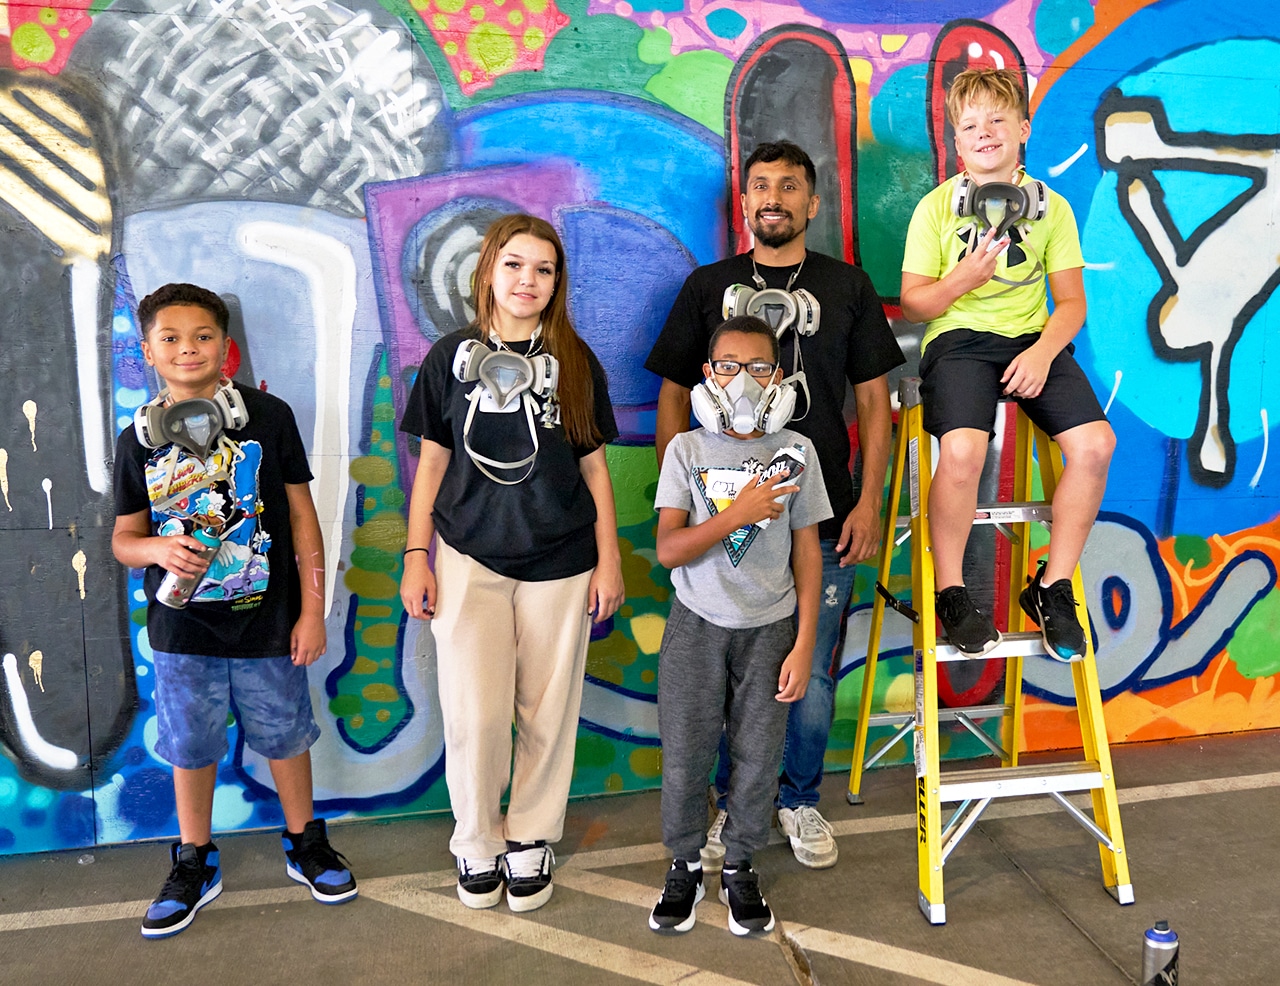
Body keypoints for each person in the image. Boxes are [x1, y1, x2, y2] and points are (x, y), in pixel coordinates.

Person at [645, 141, 904, 870]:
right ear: (744, 200)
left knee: (807, 676)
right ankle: (735, 810)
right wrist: (684, 494)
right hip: (717, 529)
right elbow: (673, 390)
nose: (774, 198)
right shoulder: (707, 286)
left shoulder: (847, 286)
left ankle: (798, 799)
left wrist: (867, 502)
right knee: (726, 685)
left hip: (817, 521)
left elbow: (874, 403)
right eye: (760, 185)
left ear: (812, 204)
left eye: (790, 187)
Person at [112, 283, 356, 940]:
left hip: (269, 621)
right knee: (190, 744)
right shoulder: (136, 439)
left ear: (227, 348)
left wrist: (312, 612)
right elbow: (122, 540)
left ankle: (305, 841)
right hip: (181, 627)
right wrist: (159, 546)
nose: (187, 349)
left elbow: (303, 518)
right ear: (147, 352)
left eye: (202, 337)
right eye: (171, 338)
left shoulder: (267, 418)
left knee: (285, 732)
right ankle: (194, 858)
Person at [399, 213, 625, 914]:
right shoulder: (449, 357)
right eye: (516, 265)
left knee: (547, 711)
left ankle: (529, 836)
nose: (528, 280)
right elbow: (430, 463)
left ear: (557, 283)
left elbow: (594, 469)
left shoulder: (577, 362)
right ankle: (476, 841)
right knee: (476, 713)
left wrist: (609, 560)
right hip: (468, 557)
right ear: (489, 270)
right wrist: (418, 556)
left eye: (544, 270)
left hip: (562, 561)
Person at [900, 67, 1115, 661]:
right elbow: (916, 302)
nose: (985, 131)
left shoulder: (1054, 210)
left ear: (1023, 128)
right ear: (956, 140)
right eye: (971, 124)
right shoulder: (936, 209)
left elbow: (1071, 303)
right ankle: (950, 590)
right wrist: (962, 279)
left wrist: (1044, 351)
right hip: (959, 342)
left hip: (1031, 341)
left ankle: (1052, 587)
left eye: (998, 119)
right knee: (964, 451)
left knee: (1096, 444)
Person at [648, 315, 830, 936]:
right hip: (695, 625)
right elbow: (669, 549)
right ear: (708, 375)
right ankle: (684, 864)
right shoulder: (687, 449)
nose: (744, 381)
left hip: (771, 628)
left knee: (758, 758)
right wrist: (742, 512)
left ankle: (741, 866)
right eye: (729, 366)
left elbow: (808, 553)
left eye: (759, 368)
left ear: (779, 378)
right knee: (686, 756)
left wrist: (805, 643)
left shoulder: (797, 452)